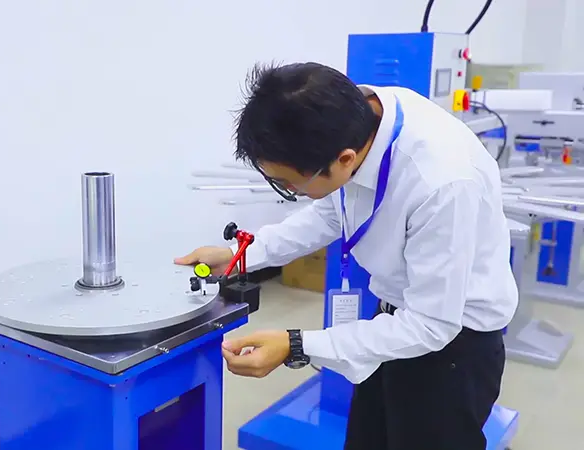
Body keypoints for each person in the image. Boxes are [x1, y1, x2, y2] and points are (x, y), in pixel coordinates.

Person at [174, 62, 518, 450]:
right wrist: (241, 255)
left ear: (345, 159)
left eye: (289, 185)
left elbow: (431, 325)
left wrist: (296, 344)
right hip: (392, 319)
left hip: (453, 346)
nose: (291, 191)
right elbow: (331, 209)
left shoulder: (442, 184)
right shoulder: (360, 118)